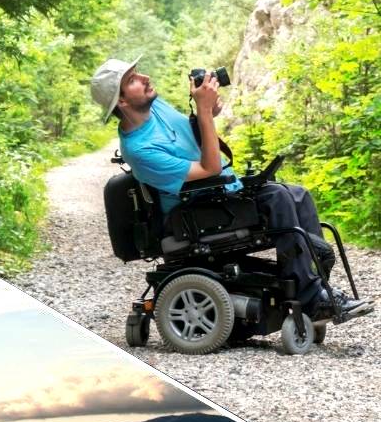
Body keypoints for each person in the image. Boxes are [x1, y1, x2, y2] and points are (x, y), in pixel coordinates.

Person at [89, 57, 372, 322]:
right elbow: (209, 168)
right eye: (132, 79)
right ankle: (310, 299)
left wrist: (206, 112)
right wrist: (203, 112)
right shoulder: (139, 149)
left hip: (219, 193)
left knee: (298, 194)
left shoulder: (155, 107)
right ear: (122, 101)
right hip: (193, 212)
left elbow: (194, 138)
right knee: (278, 197)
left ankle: (318, 290)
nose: (145, 77)